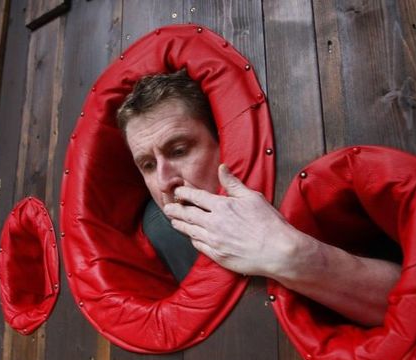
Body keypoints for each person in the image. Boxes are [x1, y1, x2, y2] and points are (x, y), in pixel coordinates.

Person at [117, 70, 400, 327]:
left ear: (226, 143)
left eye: (179, 151)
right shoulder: (157, 230)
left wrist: (288, 255)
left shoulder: (309, 191)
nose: (166, 181)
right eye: (148, 165)